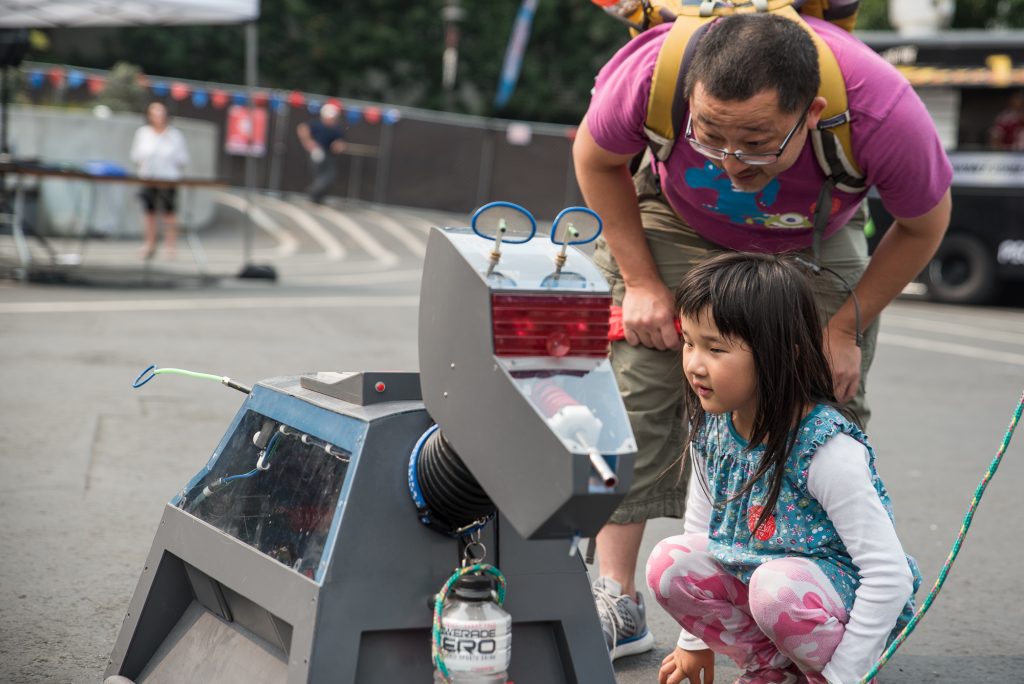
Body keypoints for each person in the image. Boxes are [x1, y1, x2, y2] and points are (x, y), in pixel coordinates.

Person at [572, 13, 951, 659]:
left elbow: (923, 225)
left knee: (819, 408)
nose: (728, 161)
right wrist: (640, 281)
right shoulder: (652, 73)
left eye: (755, 141)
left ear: (812, 114)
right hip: (677, 221)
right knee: (637, 391)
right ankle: (619, 597)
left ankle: (839, 603)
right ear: (689, 98)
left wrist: (842, 328)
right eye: (709, 134)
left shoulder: (881, 109)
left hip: (813, 235)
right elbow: (595, 157)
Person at [646, 252, 920, 684]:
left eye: (715, 348)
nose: (695, 364)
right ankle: (772, 670)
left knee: (776, 587)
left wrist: (843, 677)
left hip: (833, 607)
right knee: (670, 562)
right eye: (689, 342)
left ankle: (818, 673)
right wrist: (692, 643)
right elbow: (700, 533)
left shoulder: (826, 449)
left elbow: (889, 576)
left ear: (780, 354)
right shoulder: (714, 425)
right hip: (767, 585)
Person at [130, 102, 190, 259]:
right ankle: (149, 244)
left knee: (169, 213)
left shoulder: (175, 135)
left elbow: (182, 159)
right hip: (148, 178)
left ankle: (171, 246)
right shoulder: (143, 133)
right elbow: (136, 156)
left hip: (169, 179)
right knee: (149, 213)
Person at [296, 102, 347, 204]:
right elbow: (302, 129)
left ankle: (316, 196)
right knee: (322, 176)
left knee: (329, 177)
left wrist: (338, 147)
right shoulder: (316, 125)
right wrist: (308, 142)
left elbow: (339, 143)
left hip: (329, 155)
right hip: (318, 152)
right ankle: (314, 194)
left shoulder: (336, 129)